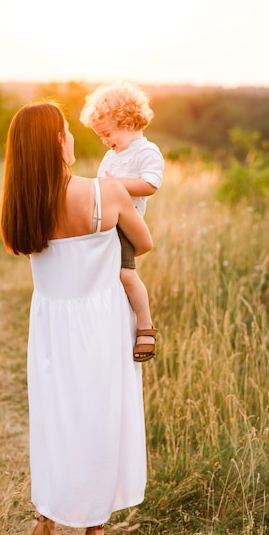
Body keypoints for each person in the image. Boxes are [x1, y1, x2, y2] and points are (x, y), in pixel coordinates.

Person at [0, 101, 153, 535]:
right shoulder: (105, 194)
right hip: (101, 322)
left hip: (50, 325)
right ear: (55, 143)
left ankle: (44, 526)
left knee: (54, 421)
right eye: (65, 131)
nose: (71, 138)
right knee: (100, 419)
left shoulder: (21, 203)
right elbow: (144, 243)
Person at [80, 82, 164, 362]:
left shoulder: (146, 151)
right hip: (103, 223)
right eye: (101, 137)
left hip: (125, 227)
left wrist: (116, 185)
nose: (105, 141)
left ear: (127, 122)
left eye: (107, 134)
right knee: (96, 273)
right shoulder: (110, 156)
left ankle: (144, 326)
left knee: (126, 275)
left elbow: (150, 184)